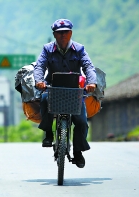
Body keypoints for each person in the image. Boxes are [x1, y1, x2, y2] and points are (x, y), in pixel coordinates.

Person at [33, 18, 97, 168]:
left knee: (81, 121)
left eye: (66, 32)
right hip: (52, 87)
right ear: (54, 35)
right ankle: (48, 133)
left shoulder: (79, 49)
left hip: (75, 90)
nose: (63, 35)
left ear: (71, 33)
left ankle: (78, 151)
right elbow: (39, 66)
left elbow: (88, 66)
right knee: (44, 99)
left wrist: (91, 82)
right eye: (59, 33)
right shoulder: (47, 49)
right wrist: (39, 80)